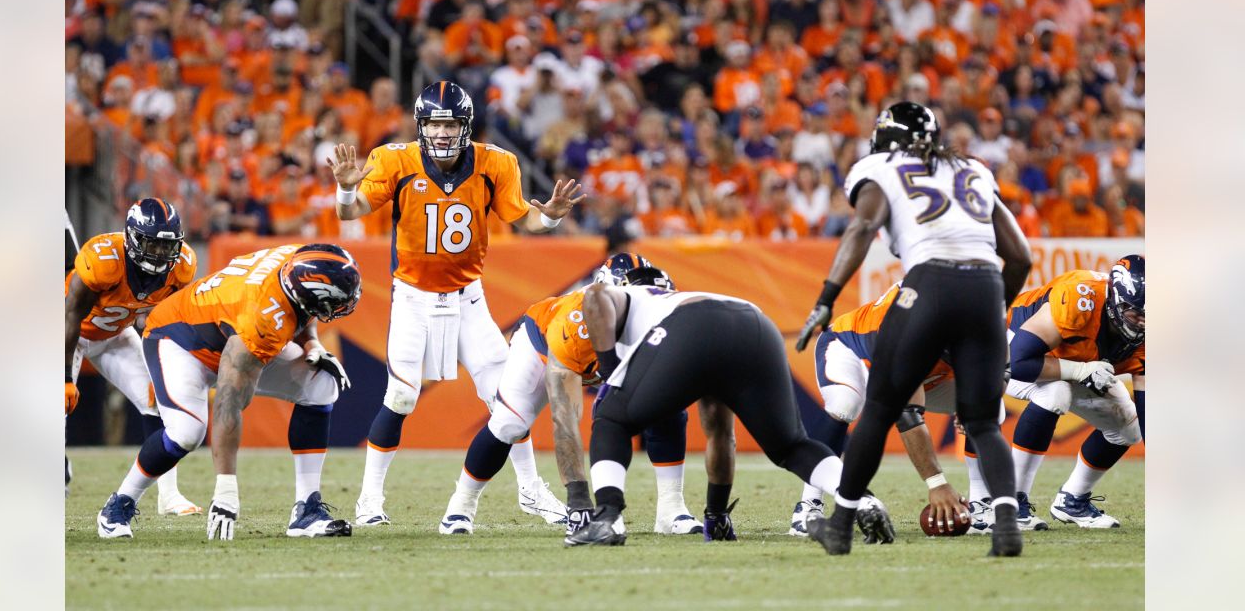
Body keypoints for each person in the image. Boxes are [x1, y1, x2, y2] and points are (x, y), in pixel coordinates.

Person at [328, 80, 585, 528]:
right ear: (421, 125)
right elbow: (350, 213)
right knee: (402, 395)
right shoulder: (395, 159)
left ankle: (531, 491)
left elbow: (526, 220)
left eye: (449, 123)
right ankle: (369, 500)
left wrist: (550, 217)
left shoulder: (495, 162)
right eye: (433, 123)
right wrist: (347, 190)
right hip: (412, 297)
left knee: (510, 398)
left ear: (464, 125)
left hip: (469, 298)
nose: (442, 133)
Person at [795, 101, 1032, 557]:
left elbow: (863, 225)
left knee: (882, 406)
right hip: (985, 284)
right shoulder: (971, 168)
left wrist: (827, 296)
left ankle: (840, 526)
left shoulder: (881, 166)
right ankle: (1006, 527)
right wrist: (992, 307)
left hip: (927, 281)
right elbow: (1019, 256)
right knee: (983, 421)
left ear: (884, 141)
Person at [563, 281, 893, 548]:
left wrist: (608, 369)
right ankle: (860, 500)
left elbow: (595, 297)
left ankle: (606, 517)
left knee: (611, 418)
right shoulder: (672, 309)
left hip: (692, 325)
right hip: (756, 325)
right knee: (791, 446)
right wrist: (716, 513)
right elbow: (720, 435)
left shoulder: (632, 297)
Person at [96, 244, 362, 540]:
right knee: (187, 432)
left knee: (320, 385)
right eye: (338, 300)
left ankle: (307, 512)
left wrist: (313, 344)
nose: (343, 306)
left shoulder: (298, 263)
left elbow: (305, 308)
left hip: (229, 331)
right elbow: (228, 401)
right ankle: (119, 503)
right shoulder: (263, 314)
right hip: (181, 342)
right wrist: (226, 489)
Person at [438, 254, 703, 536]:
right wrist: (578, 500)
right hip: (540, 342)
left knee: (668, 409)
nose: (644, 306)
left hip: (600, 357)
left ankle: (672, 509)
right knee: (510, 423)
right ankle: (461, 504)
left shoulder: (663, 321)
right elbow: (564, 420)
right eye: (634, 298)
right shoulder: (575, 329)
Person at [789, 282, 986, 537]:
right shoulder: (909, 326)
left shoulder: (981, 306)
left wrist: (971, 404)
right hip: (851, 351)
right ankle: (808, 505)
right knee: (845, 403)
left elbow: (999, 372)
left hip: (925, 368)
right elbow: (908, 414)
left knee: (989, 406)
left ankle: (982, 504)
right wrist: (937, 484)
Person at [66, 199, 201, 517]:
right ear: (131, 238)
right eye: (151, 243)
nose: (158, 254)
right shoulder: (103, 258)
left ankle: (169, 497)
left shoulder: (182, 267)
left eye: (166, 246)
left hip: (116, 335)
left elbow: (171, 320)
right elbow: (70, 315)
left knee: (158, 403)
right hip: (68, 334)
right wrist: (63, 377)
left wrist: (165, 367)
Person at [1003, 255, 1144, 530]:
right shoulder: (1081, 297)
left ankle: (1073, 500)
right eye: (1137, 313)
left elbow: (1149, 411)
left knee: (1128, 428)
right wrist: (1080, 372)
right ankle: (1010, 502)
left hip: (1082, 360)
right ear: (1116, 300)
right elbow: (1018, 361)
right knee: (1055, 393)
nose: (1143, 323)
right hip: (1012, 346)